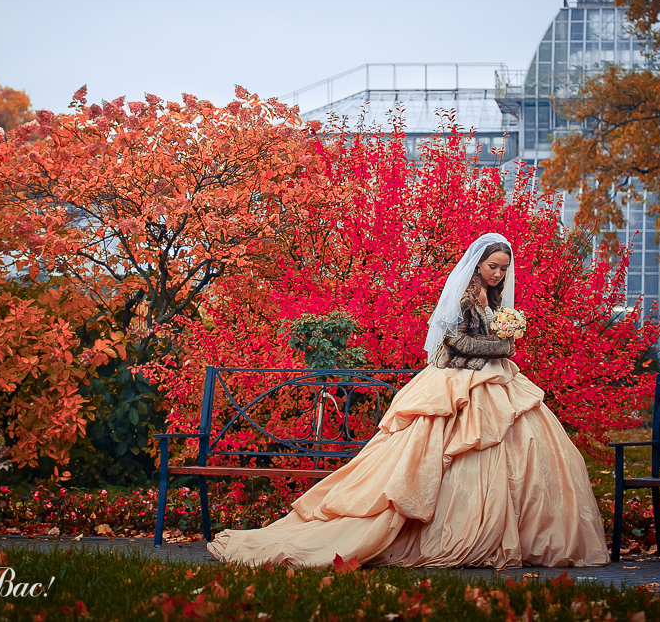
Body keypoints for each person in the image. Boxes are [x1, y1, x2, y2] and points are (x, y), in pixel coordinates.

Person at [206, 233, 610, 569]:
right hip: (454, 384)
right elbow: (452, 345)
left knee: (526, 445)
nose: (499, 273)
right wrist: (500, 346)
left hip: (495, 383)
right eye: (493, 267)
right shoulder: (466, 301)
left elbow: (486, 343)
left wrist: (501, 344)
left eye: (504, 268)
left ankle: (519, 532)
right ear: (477, 267)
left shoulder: (495, 302)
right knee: (435, 452)